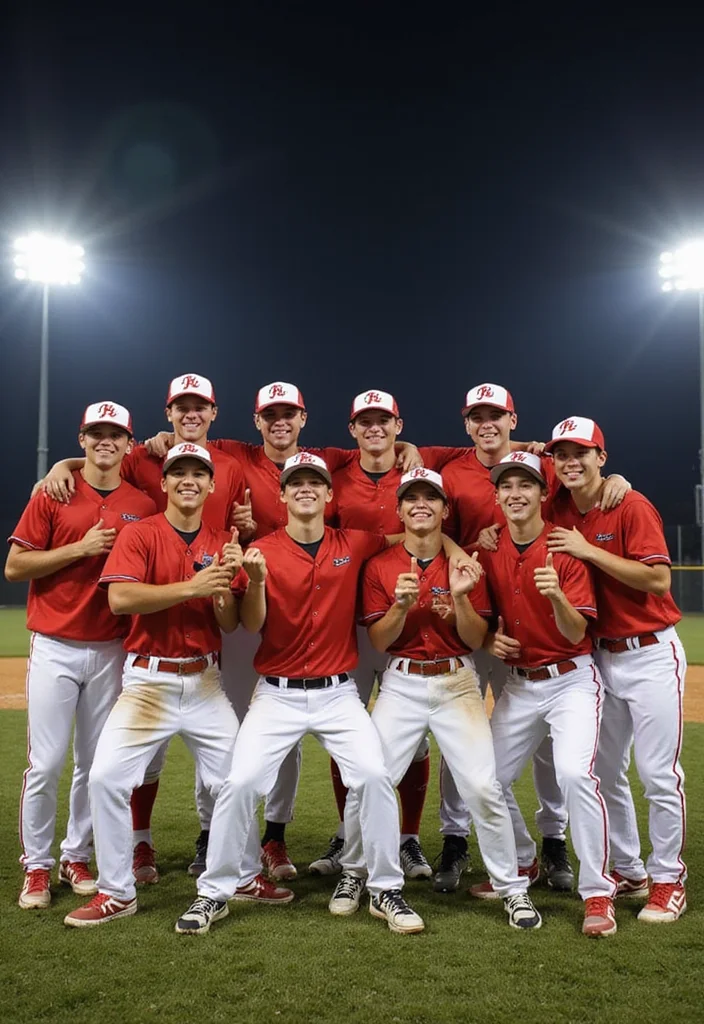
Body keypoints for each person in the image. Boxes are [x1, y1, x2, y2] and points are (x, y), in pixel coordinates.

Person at [146, 381, 422, 881]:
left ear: (303, 418)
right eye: (270, 413)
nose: (279, 420)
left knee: (295, 746)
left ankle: (275, 836)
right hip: (247, 592)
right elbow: (161, 447)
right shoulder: (232, 453)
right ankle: (213, 836)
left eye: (289, 413)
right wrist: (65, 465)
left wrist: (444, 536)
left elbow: (386, 456)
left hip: (317, 610)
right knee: (231, 738)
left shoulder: (329, 459)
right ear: (255, 420)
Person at [175, 452, 424, 936]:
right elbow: (250, 623)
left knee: (374, 776)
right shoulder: (261, 550)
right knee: (240, 782)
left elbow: (415, 536)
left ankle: (384, 888)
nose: (306, 488)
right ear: (283, 495)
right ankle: (214, 892)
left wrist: (463, 548)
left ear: (330, 495)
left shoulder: (356, 542)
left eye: (316, 482)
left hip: (338, 693)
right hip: (277, 694)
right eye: (296, 483)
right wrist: (258, 583)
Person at [63, 442, 289, 927]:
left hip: (205, 682)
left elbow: (229, 624)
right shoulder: (139, 534)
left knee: (238, 779)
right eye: (178, 472)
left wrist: (231, 584)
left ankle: (246, 875)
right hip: (148, 682)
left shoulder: (219, 541)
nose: (189, 479)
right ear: (163, 483)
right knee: (105, 778)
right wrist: (195, 585)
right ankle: (116, 891)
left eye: (198, 473)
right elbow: (121, 599)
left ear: (211, 486)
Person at [40, 374, 254, 885]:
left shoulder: (233, 465)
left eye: (199, 405)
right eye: (181, 406)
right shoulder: (143, 467)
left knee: (234, 775)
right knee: (123, 769)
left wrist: (225, 581)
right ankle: (129, 859)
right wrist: (62, 465)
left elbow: (228, 611)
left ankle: (234, 867)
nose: (191, 413)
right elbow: (99, 461)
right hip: (146, 660)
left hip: (205, 661)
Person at [433, 384, 629, 894]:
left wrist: (615, 478)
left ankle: (564, 851)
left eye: (495, 415)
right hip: (496, 623)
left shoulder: (544, 465)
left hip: (565, 662)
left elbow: (581, 473)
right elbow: (433, 517)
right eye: (477, 416)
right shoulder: (454, 472)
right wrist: (477, 556)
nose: (486, 423)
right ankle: (504, 853)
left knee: (564, 765)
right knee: (478, 767)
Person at [358, 466, 543, 930]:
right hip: (400, 681)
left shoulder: (467, 564)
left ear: (444, 509)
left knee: (482, 785)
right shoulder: (380, 565)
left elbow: (477, 637)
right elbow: (379, 643)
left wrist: (460, 600)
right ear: (399, 510)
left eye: (431, 498)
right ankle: (363, 876)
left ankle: (512, 888)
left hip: (457, 680)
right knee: (373, 778)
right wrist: (401, 606)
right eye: (411, 498)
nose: (421, 504)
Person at [5, 402, 156, 910]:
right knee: (45, 763)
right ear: (83, 440)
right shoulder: (55, 492)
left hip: (113, 647)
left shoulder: (143, 501)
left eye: (116, 434)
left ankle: (76, 854)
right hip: (55, 644)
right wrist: (79, 549)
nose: (105, 442)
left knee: (94, 765)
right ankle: (37, 868)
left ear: (129, 445)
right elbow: (15, 566)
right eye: (97, 433)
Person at [467, 452, 617, 937]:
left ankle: (597, 892)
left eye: (526, 485)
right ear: (497, 497)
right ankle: (524, 861)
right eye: (506, 486)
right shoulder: (488, 549)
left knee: (575, 773)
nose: (515, 493)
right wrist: (490, 640)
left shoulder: (565, 548)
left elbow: (578, 633)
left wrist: (557, 596)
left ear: (541, 493)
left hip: (571, 678)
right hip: (518, 684)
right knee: (485, 778)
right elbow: (483, 624)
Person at [311, 390, 459, 880]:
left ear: (399, 425)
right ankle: (345, 832)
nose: (374, 429)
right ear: (351, 429)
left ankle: (410, 838)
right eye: (364, 422)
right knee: (344, 740)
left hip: (407, 623)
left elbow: (501, 445)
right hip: (347, 624)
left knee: (414, 741)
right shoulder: (335, 466)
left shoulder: (425, 465)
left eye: (384, 421)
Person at [546, 417, 688, 924]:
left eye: (581, 453)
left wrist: (589, 550)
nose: (570, 462)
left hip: (650, 652)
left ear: (602, 458)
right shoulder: (558, 504)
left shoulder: (629, 504)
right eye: (561, 454)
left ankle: (669, 878)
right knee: (604, 772)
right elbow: (510, 483)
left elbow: (656, 579)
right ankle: (630, 868)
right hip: (599, 657)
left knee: (657, 773)